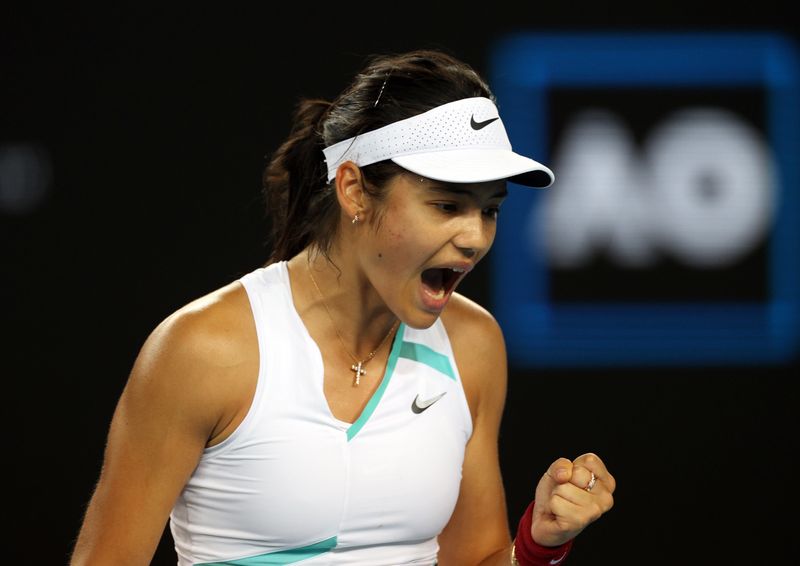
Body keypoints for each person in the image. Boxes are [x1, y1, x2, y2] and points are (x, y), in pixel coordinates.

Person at [70, 48, 615, 566]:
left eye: (489, 210)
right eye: (447, 205)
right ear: (353, 189)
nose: (474, 238)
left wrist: (538, 544)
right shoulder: (203, 350)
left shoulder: (473, 344)